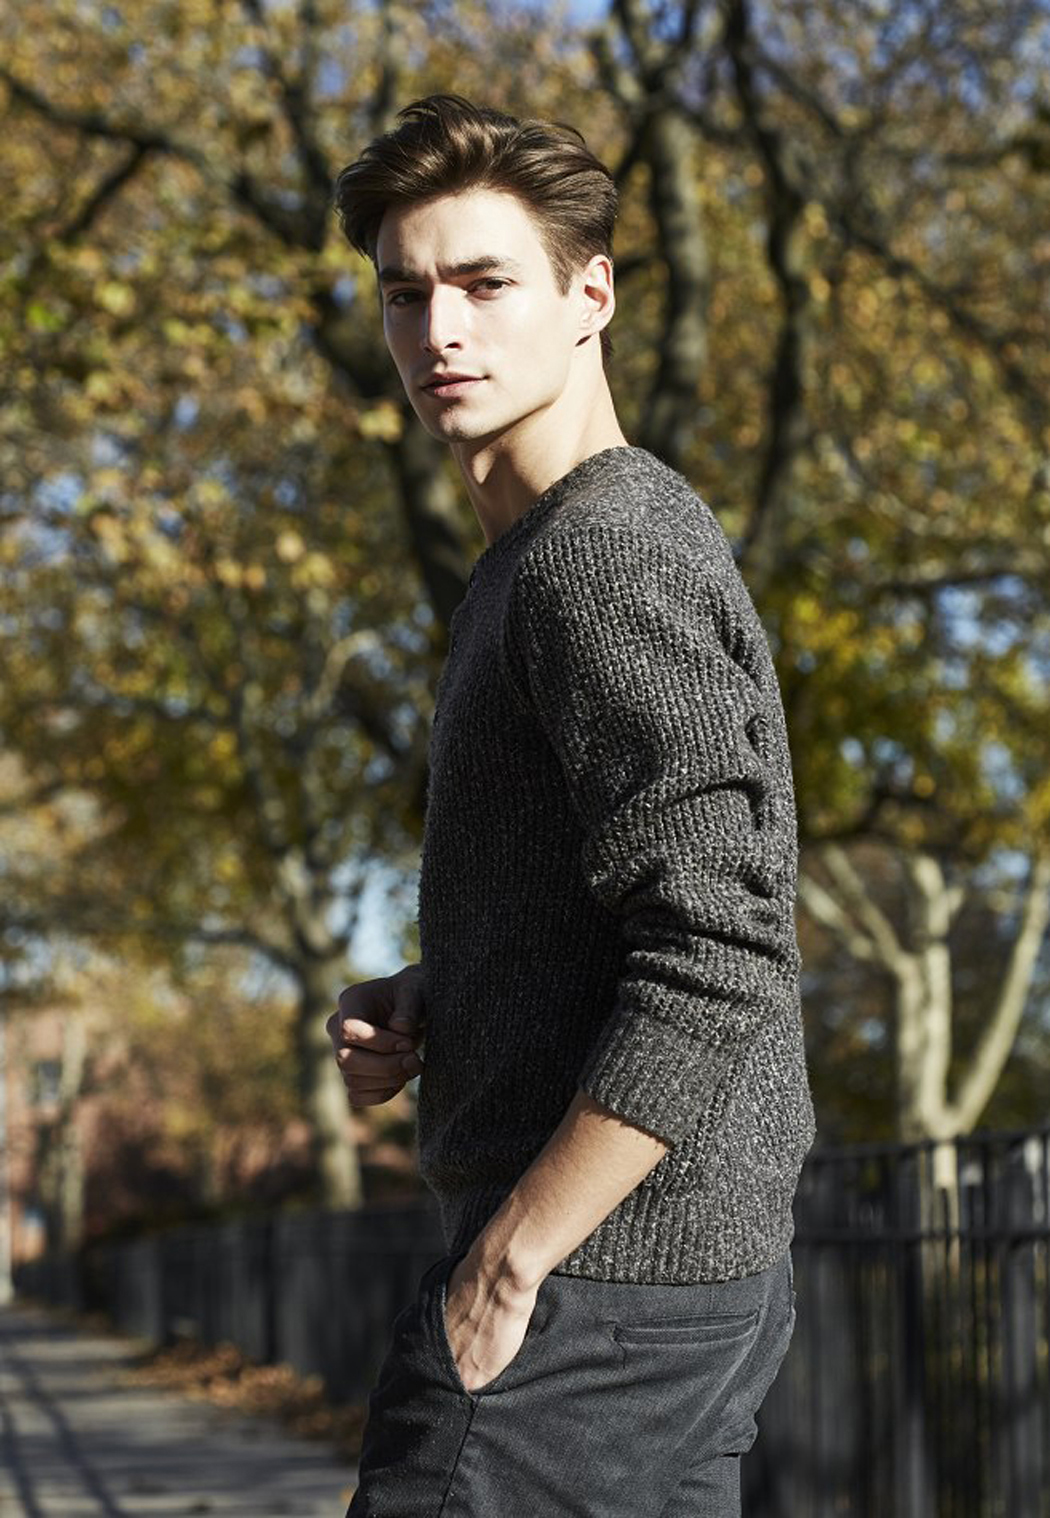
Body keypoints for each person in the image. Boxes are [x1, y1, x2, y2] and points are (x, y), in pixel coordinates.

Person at [325, 93, 816, 1518]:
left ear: (589, 295)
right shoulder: (542, 558)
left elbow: (722, 945)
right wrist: (443, 988)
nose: (440, 330)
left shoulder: (597, 556)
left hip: (596, 1292)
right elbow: (633, 898)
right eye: (405, 293)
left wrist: (515, 1255)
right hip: (647, 1288)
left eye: (485, 284)